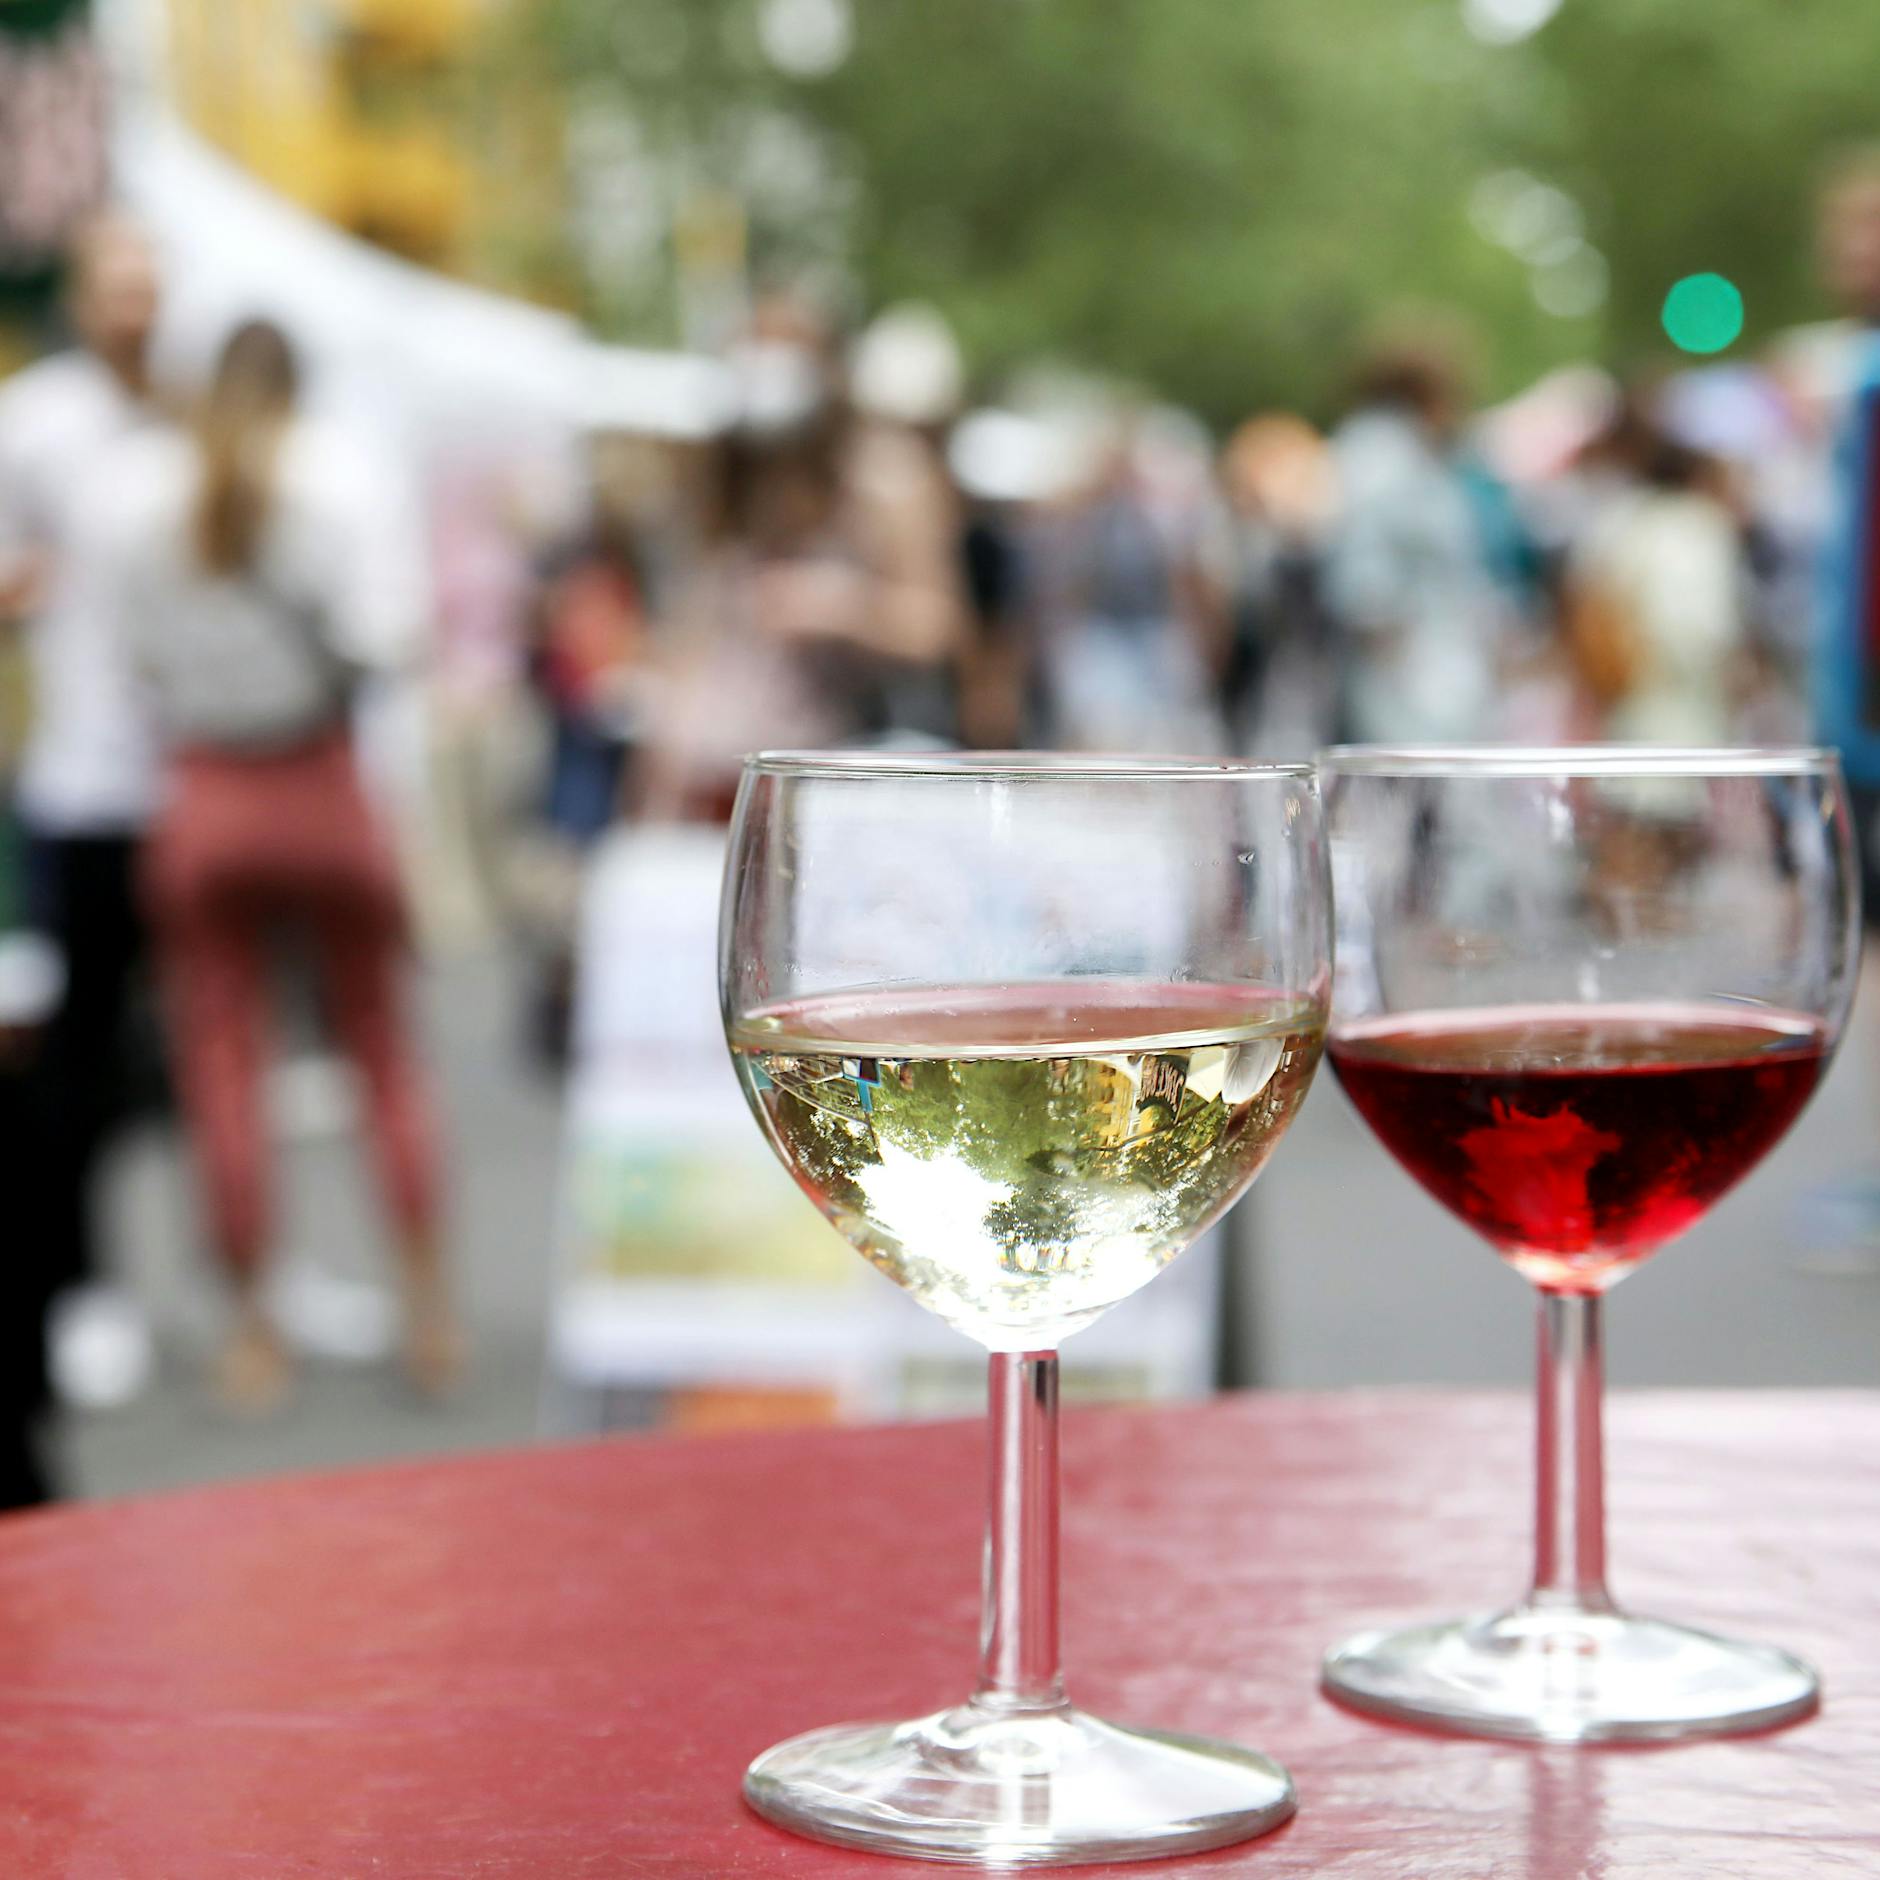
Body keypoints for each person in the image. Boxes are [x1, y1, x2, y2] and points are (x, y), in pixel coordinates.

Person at [97, 320, 455, 1410]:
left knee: (221, 1066)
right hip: (320, 781)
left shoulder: (138, 491)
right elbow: (397, 641)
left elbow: (135, 659)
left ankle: (254, 1328)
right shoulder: (343, 475)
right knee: (380, 1047)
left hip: (206, 792)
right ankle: (426, 1305)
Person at [0, 212, 165, 1404]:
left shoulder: (194, 413)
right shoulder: (39, 420)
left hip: (201, 775)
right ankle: (78, 1285)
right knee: (81, 1056)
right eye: (117, 279)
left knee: (219, 1045)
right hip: (85, 781)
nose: (136, 298)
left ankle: (252, 1280)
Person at [1324, 336, 1513, 744]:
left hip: (1434, 665)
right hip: (1407, 677)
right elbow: (1363, 577)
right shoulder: (1377, 455)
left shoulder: (1415, 454)